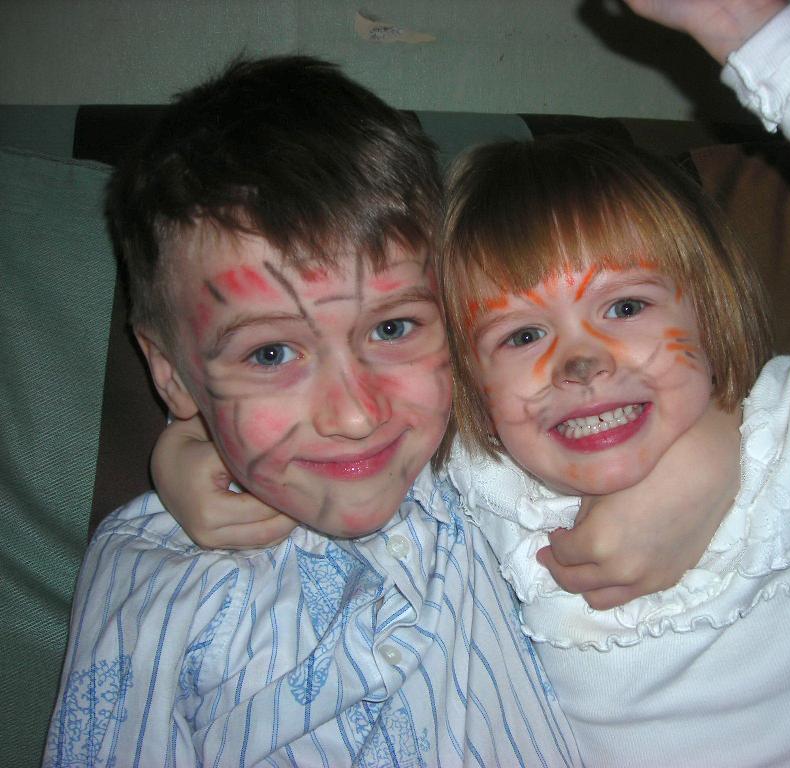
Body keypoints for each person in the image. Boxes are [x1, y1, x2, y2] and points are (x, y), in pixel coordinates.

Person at [149, 0, 790, 765]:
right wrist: (189, 447)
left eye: (625, 306)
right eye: (522, 334)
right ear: (473, 379)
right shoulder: (481, 476)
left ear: (709, 313)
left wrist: (758, 33)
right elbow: (356, 424)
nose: (582, 363)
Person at [43, 55, 582, 767]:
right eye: (271, 353)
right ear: (169, 372)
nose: (355, 417)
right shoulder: (155, 577)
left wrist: (689, 484)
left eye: (393, 328)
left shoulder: (499, 468)